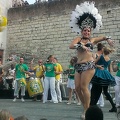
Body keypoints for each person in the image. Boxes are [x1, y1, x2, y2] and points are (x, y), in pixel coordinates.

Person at [69, 1, 114, 119]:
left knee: (84, 87)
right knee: (77, 88)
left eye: (88, 31)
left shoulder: (92, 40)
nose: (87, 32)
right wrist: (81, 45)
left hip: (88, 66)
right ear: (81, 31)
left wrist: (108, 39)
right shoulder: (78, 39)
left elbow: (103, 37)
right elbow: (71, 46)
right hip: (78, 66)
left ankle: (86, 111)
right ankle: (86, 107)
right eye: (85, 30)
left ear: (90, 31)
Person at [90, 46, 117, 112]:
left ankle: (93, 105)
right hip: (106, 74)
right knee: (105, 91)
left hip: (99, 74)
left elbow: (93, 63)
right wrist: (109, 77)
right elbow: (110, 70)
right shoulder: (109, 59)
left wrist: (98, 66)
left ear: (103, 51)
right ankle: (113, 106)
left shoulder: (101, 56)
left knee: (95, 90)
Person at [91, 43, 105, 107]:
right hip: (95, 72)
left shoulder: (104, 55)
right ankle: (94, 102)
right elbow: (93, 63)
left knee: (100, 88)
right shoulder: (95, 55)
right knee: (94, 88)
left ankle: (101, 102)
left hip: (102, 73)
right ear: (101, 49)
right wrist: (98, 66)